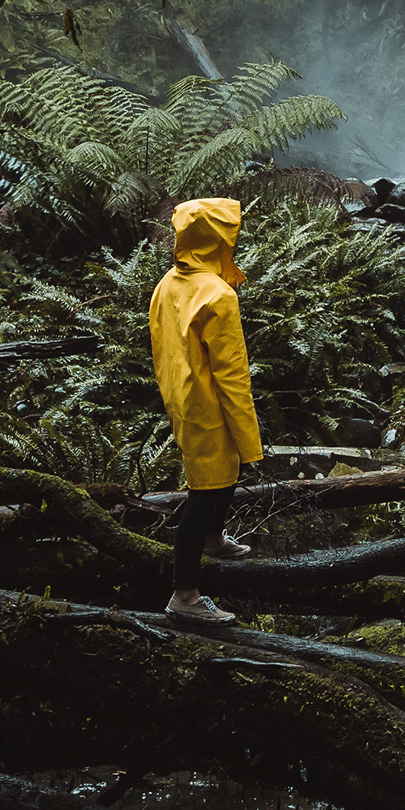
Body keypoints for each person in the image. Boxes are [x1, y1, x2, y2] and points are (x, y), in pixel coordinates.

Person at [149, 194, 268, 623]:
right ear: (217, 239)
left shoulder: (169, 282)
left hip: (181, 397)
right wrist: (250, 437)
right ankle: (185, 594)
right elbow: (232, 374)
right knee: (204, 493)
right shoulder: (217, 295)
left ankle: (215, 540)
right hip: (209, 405)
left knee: (221, 475)